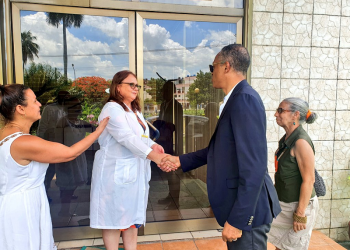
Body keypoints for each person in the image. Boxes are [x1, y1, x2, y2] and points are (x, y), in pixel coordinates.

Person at [160, 44, 281, 250]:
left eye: (212, 67)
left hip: (247, 214)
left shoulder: (244, 99)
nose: (211, 72)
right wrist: (180, 160)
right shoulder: (234, 99)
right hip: (239, 208)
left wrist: (238, 220)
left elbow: (255, 167)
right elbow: (220, 149)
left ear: (226, 66)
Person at [0, 84, 109, 250]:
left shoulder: (6, 134)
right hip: (22, 208)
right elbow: (70, 153)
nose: (40, 104)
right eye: (35, 101)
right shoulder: (23, 142)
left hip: (16, 202)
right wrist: (99, 130)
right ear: (21, 109)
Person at [90, 70, 167, 250]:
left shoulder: (134, 110)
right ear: (118, 87)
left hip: (134, 172)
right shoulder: (111, 109)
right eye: (130, 84)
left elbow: (139, 136)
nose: (135, 88)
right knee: (114, 219)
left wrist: (152, 145)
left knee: (132, 218)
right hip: (114, 174)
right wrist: (156, 157)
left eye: (136, 85)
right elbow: (126, 138)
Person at [267, 98, 319, 250]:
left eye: (281, 110)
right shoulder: (288, 138)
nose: (276, 114)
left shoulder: (301, 142)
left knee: (291, 247)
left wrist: (300, 214)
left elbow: (309, 180)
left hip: (299, 207)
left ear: (295, 115)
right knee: (281, 245)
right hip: (285, 205)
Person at [37, 90, 70, 200]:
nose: (66, 99)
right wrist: (41, 144)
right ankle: (45, 194)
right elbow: (42, 126)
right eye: (63, 96)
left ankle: (65, 194)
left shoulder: (67, 109)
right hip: (50, 143)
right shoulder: (49, 108)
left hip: (64, 143)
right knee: (49, 172)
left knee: (64, 171)